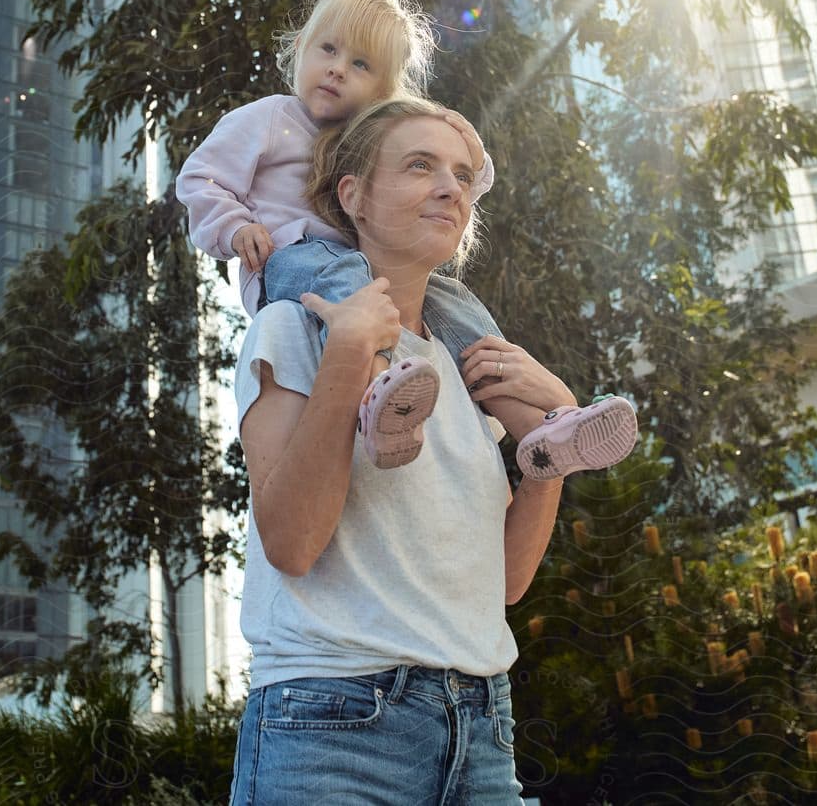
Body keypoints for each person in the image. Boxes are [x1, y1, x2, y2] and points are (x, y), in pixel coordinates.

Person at [228, 98, 580, 804]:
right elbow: (293, 544)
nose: (452, 187)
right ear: (352, 196)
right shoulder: (290, 328)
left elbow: (502, 586)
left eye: (460, 173)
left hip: (481, 728)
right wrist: (352, 352)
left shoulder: (465, 364)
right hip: (332, 725)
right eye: (420, 166)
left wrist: (551, 450)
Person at [177, 0, 636, 476]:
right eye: (327, 50)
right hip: (290, 260)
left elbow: (457, 183)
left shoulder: (369, 140)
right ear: (302, 49)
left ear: (381, 91)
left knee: (457, 308)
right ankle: (380, 397)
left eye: (360, 64)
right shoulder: (270, 118)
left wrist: (471, 150)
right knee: (345, 275)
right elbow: (201, 177)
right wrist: (234, 227)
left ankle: (543, 429)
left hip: (358, 267)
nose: (336, 70)